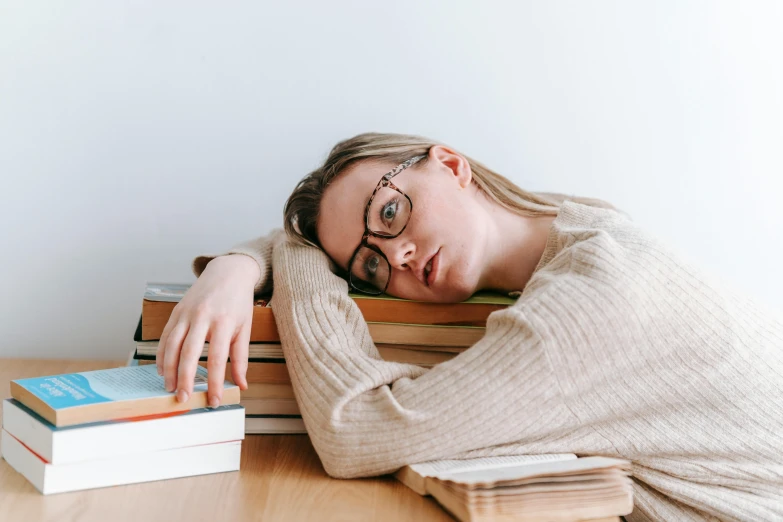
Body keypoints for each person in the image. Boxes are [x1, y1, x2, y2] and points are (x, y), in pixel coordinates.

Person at [156, 132, 783, 521]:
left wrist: (290, 252)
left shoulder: (590, 301)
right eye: (369, 266)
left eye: (392, 212)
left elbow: (356, 431)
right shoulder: (579, 224)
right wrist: (238, 265)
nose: (395, 257)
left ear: (450, 164)